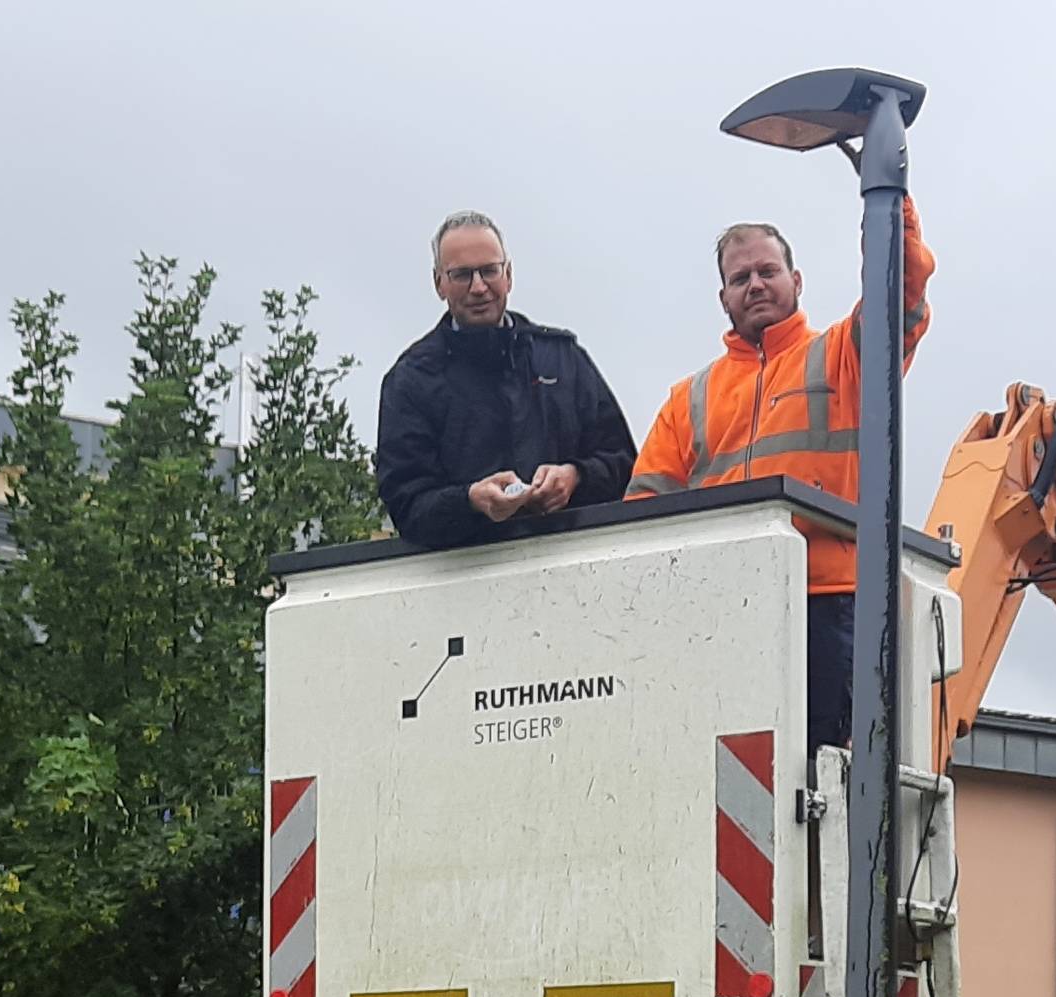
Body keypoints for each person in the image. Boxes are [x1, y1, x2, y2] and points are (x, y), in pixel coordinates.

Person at [624, 199, 935, 751]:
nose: (755, 285)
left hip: (827, 601)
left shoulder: (842, 357)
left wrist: (891, 206)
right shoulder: (688, 398)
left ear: (796, 280)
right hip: (722, 610)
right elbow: (644, 510)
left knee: (821, 775)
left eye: (767, 271)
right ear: (723, 298)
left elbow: (900, 296)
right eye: (740, 277)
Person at [375, 210, 635, 549]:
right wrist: (469, 502)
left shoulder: (563, 358)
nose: (478, 287)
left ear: (508, 275)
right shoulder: (411, 380)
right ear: (439, 283)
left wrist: (575, 477)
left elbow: (625, 464)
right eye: (462, 275)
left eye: (488, 271)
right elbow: (406, 505)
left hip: (575, 562)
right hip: (468, 579)